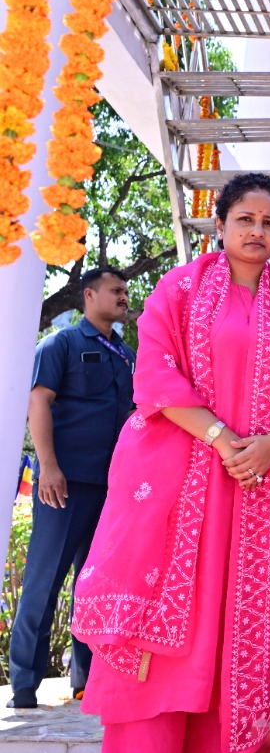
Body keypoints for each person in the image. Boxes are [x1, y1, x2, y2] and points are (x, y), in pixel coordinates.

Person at [71, 174, 270, 753]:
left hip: (260, 490)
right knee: (160, 651)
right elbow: (155, 377)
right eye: (245, 218)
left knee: (230, 646)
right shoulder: (178, 291)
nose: (257, 232)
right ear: (219, 226)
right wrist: (222, 438)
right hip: (177, 486)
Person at [7, 268, 134, 709]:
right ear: (89, 295)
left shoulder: (127, 355)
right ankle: (24, 685)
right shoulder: (60, 344)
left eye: (125, 291)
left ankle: (88, 681)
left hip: (113, 488)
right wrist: (48, 467)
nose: (123, 297)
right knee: (44, 582)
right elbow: (38, 401)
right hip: (64, 484)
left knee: (95, 585)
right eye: (115, 290)